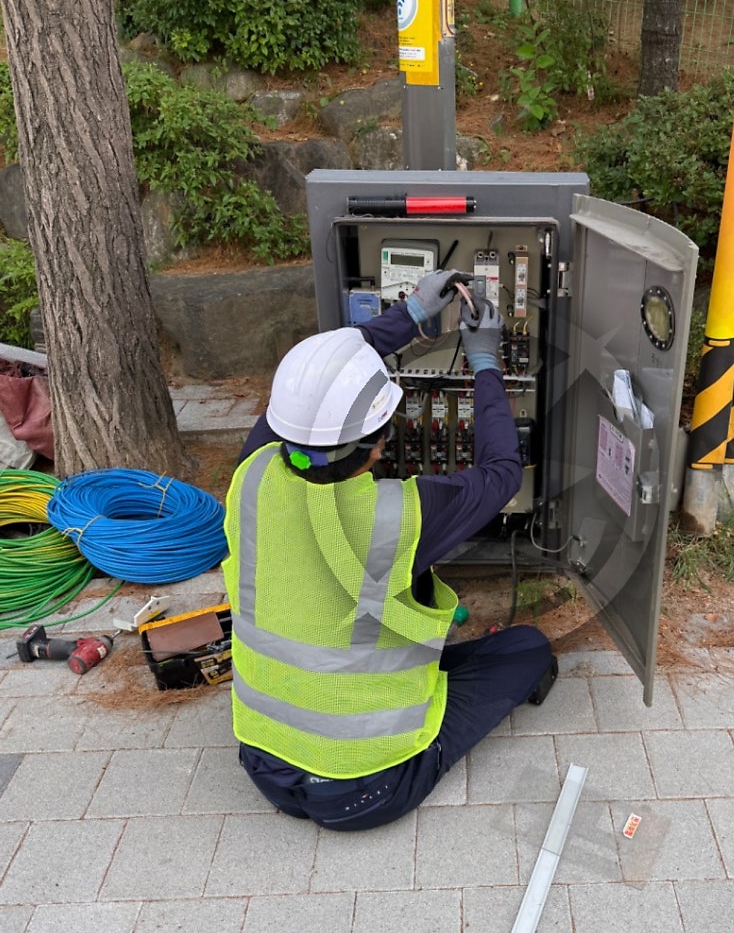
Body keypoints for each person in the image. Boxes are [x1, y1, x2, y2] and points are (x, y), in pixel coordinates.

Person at [223, 269, 558, 830]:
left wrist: (410, 316)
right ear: (380, 445)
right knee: (526, 649)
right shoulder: (400, 515)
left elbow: (312, 401)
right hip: (370, 784)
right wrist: (484, 361)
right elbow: (502, 474)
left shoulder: (252, 472)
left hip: (263, 766)